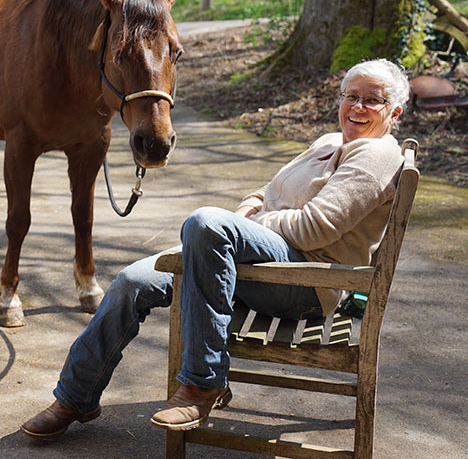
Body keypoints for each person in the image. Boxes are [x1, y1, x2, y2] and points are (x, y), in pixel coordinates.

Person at [21, 58, 410, 438]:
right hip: (255, 260)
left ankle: (203, 383)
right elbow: (265, 191)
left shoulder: (376, 155)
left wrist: (241, 226)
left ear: (393, 113)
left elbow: (314, 229)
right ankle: (76, 397)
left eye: (372, 100)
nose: (358, 107)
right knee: (132, 280)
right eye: (350, 96)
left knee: (206, 222)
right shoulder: (329, 140)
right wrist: (243, 216)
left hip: (305, 283)